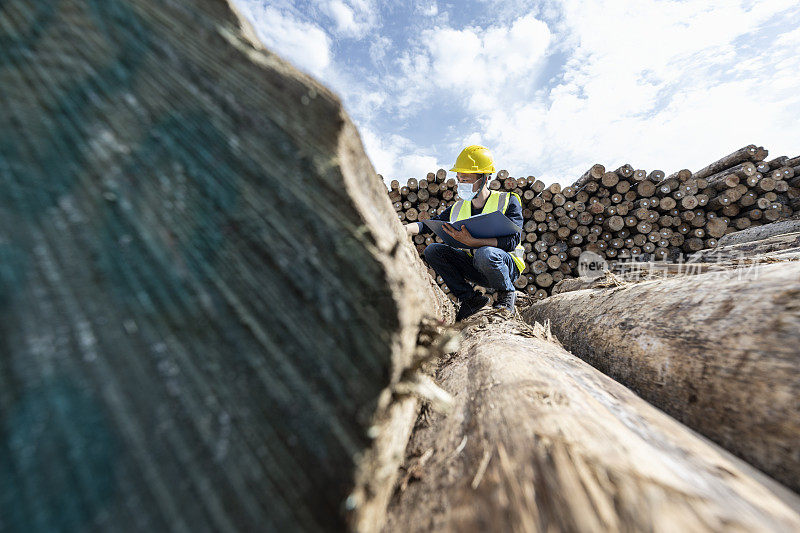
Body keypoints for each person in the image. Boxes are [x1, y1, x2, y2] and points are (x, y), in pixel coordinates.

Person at [404, 145, 525, 321]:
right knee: (433, 251)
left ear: (484, 178)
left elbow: (512, 241)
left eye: (466, 179)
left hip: (505, 266)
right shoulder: (459, 207)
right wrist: (404, 229)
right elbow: (428, 225)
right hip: (476, 266)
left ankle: (506, 294)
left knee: (486, 253)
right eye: (459, 179)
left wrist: (473, 242)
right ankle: (470, 299)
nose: (461, 184)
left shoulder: (507, 200)